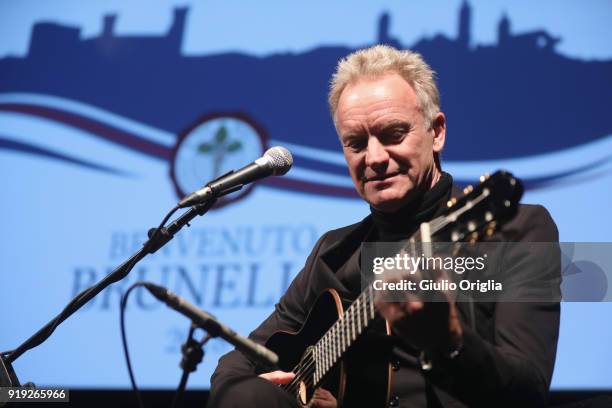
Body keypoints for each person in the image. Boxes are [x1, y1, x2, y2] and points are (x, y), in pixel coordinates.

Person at [208, 45, 561, 407]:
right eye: (356, 143)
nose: (374, 158)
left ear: (436, 132)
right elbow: (235, 365)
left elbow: (528, 390)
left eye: (393, 134)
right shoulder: (333, 253)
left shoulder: (519, 229)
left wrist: (449, 343)